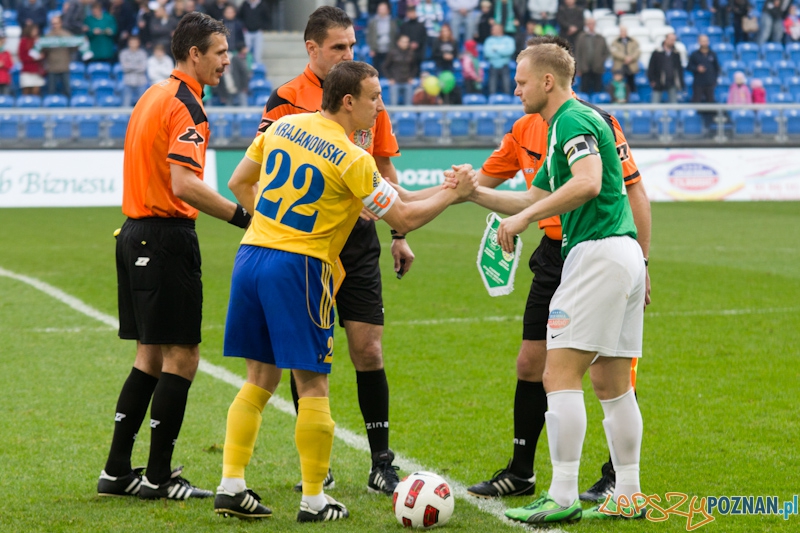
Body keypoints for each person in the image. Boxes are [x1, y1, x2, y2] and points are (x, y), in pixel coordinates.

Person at [213, 59, 476, 523]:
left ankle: (231, 484)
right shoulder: (352, 157)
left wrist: (444, 187)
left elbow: (238, 183)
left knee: (259, 379)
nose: (381, 105)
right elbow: (404, 218)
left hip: (251, 256)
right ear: (349, 101)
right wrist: (455, 195)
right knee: (313, 383)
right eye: (375, 97)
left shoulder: (284, 126)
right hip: (301, 266)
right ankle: (314, 499)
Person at [465, 35, 651, 511]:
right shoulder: (561, 125)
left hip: (596, 255)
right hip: (622, 254)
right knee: (611, 383)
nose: (514, 90)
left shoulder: (573, 119)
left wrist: (525, 219)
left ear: (548, 81)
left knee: (558, 374)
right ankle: (628, 494)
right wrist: (474, 194)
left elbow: (587, 183)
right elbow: (531, 196)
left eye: (521, 81)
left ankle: (562, 494)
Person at [256, 6, 432, 497]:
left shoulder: (368, 95)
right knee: (305, 356)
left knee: (367, 347)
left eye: (352, 46)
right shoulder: (286, 100)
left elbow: (384, 172)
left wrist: (399, 236)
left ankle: (382, 462)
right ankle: (318, 466)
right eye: (338, 47)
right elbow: (263, 170)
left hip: (356, 243)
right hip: (305, 246)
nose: (348, 55)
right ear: (312, 48)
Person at [96, 12, 250, 501]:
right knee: (182, 358)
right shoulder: (187, 106)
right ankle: (159, 477)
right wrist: (243, 216)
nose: (227, 61)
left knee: (150, 357)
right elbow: (185, 183)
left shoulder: (152, 95)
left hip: (134, 234)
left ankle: (118, 470)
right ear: (194, 54)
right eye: (220, 52)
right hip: (164, 238)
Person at [574, 18, 609, 95]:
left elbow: (606, 52)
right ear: (586, 25)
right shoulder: (581, 37)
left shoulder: (601, 38)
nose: (591, 25)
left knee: (597, 90)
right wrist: (578, 67)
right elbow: (578, 53)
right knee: (584, 90)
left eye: (592, 23)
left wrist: (601, 62)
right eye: (589, 24)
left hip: (598, 68)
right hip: (584, 68)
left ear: (595, 25)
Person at [647, 33, 684, 104]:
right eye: (671, 39)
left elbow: (679, 69)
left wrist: (681, 83)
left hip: (672, 81)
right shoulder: (657, 52)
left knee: (674, 104)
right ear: (666, 39)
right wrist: (652, 79)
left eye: (674, 40)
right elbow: (651, 67)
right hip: (658, 81)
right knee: (655, 103)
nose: (672, 41)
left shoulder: (676, 53)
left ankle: (673, 115)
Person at [383, 34, 418, 105]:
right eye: (403, 42)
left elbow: (415, 67)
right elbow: (384, 67)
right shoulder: (392, 53)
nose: (405, 44)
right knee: (393, 104)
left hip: (407, 81)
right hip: (395, 81)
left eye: (407, 42)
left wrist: (411, 77)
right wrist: (390, 78)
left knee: (409, 105)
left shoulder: (411, 53)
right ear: (398, 42)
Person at [366, 1, 397, 78]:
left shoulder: (392, 22)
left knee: (389, 67)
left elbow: (395, 36)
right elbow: (369, 35)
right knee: (376, 70)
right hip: (376, 50)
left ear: (388, 10)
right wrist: (372, 48)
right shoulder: (373, 22)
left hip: (389, 49)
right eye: (380, 9)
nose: (381, 10)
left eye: (383, 9)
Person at [484, 22, 516, 94]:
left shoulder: (508, 39)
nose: (492, 31)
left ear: (500, 30)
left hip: (505, 65)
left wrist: (496, 50)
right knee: (492, 87)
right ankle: (491, 100)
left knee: (506, 85)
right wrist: (502, 52)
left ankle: (508, 99)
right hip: (493, 65)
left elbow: (510, 51)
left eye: (494, 29)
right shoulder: (489, 40)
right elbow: (487, 53)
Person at [119, 34, 149, 106]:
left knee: (142, 106)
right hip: (128, 82)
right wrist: (137, 65)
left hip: (141, 82)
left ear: (138, 43)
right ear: (128, 43)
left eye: (135, 42)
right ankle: (125, 117)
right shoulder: (123, 53)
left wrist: (130, 65)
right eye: (131, 42)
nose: (133, 44)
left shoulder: (143, 53)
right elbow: (124, 67)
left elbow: (143, 68)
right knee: (126, 105)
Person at [610, 26, 640, 94]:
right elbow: (614, 52)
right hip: (620, 66)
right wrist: (625, 58)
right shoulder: (615, 42)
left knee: (631, 84)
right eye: (621, 31)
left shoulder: (633, 41)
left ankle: (632, 99)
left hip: (631, 66)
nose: (623, 33)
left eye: (624, 31)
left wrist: (631, 58)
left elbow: (637, 51)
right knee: (619, 83)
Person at [237, 0, 270, 64]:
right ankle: (247, 67)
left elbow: (267, 18)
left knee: (258, 52)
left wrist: (263, 28)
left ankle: (257, 68)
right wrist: (243, 27)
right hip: (247, 32)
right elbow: (240, 17)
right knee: (246, 51)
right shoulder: (245, 4)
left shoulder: (262, 4)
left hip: (258, 32)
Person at [18, 22, 45, 96]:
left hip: (36, 69)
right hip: (27, 69)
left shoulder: (38, 41)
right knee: (26, 90)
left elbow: (43, 52)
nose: (36, 32)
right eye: (34, 30)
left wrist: (41, 56)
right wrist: (33, 58)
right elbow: (22, 56)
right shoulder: (23, 41)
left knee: (36, 90)